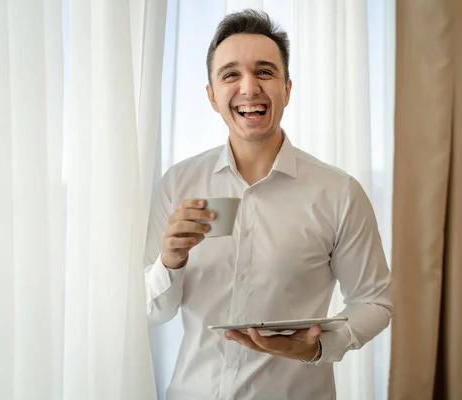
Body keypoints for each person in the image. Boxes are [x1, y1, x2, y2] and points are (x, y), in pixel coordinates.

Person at [144, 9, 392, 400]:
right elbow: (154, 312)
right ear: (211, 96)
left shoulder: (339, 192)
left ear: (287, 89)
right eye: (230, 75)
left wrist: (319, 346)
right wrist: (169, 260)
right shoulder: (179, 183)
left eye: (264, 72)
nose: (249, 88)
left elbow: (375, 301)